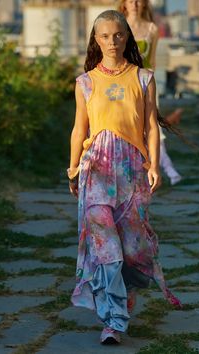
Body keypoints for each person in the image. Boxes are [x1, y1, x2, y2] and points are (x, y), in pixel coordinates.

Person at [68, 10, 181, 345]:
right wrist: (72, 167)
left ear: (127, 37)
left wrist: (155, 165)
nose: (112, 42)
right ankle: (114, 320)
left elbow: (150, 126)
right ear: (96, 40)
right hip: (95, 170)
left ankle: (122, 300)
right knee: (107, 251)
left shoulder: (143, 77)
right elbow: (79, 129)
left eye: (118, 35)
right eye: (104, 36)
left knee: (131, 250)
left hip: (132, 171)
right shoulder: (85, 82)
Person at [118, 0, 182, 185]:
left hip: (145, 83)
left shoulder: (152, 29)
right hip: (124, 83)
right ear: (124, 4)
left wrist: (152, 88)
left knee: (153, 127)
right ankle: (130, 170)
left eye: (139, 1)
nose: (135, 4)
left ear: (144, 4)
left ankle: (160, 169)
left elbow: (152, 61)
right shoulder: (119, 25)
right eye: (131, 0)